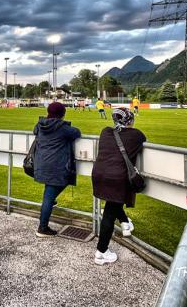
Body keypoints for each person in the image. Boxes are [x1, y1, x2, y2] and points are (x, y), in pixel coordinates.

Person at [92, 107, 146, 264]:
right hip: (117, 178)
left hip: (99, 174)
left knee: (112, 205)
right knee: (109, 212)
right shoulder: (136, 135)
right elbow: (140, 142)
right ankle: (101, 252)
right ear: (130, 120)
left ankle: (125, 223)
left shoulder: (105, 131)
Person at [33, 102, 81, 237]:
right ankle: (42, 228)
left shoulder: (40, 124)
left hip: (41, 164)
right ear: (62, 114)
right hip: (56, 166)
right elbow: (77, 133)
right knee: (49, 195)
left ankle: (50, 201)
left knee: (51, 191)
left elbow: (35, 131)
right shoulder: (63, 128)